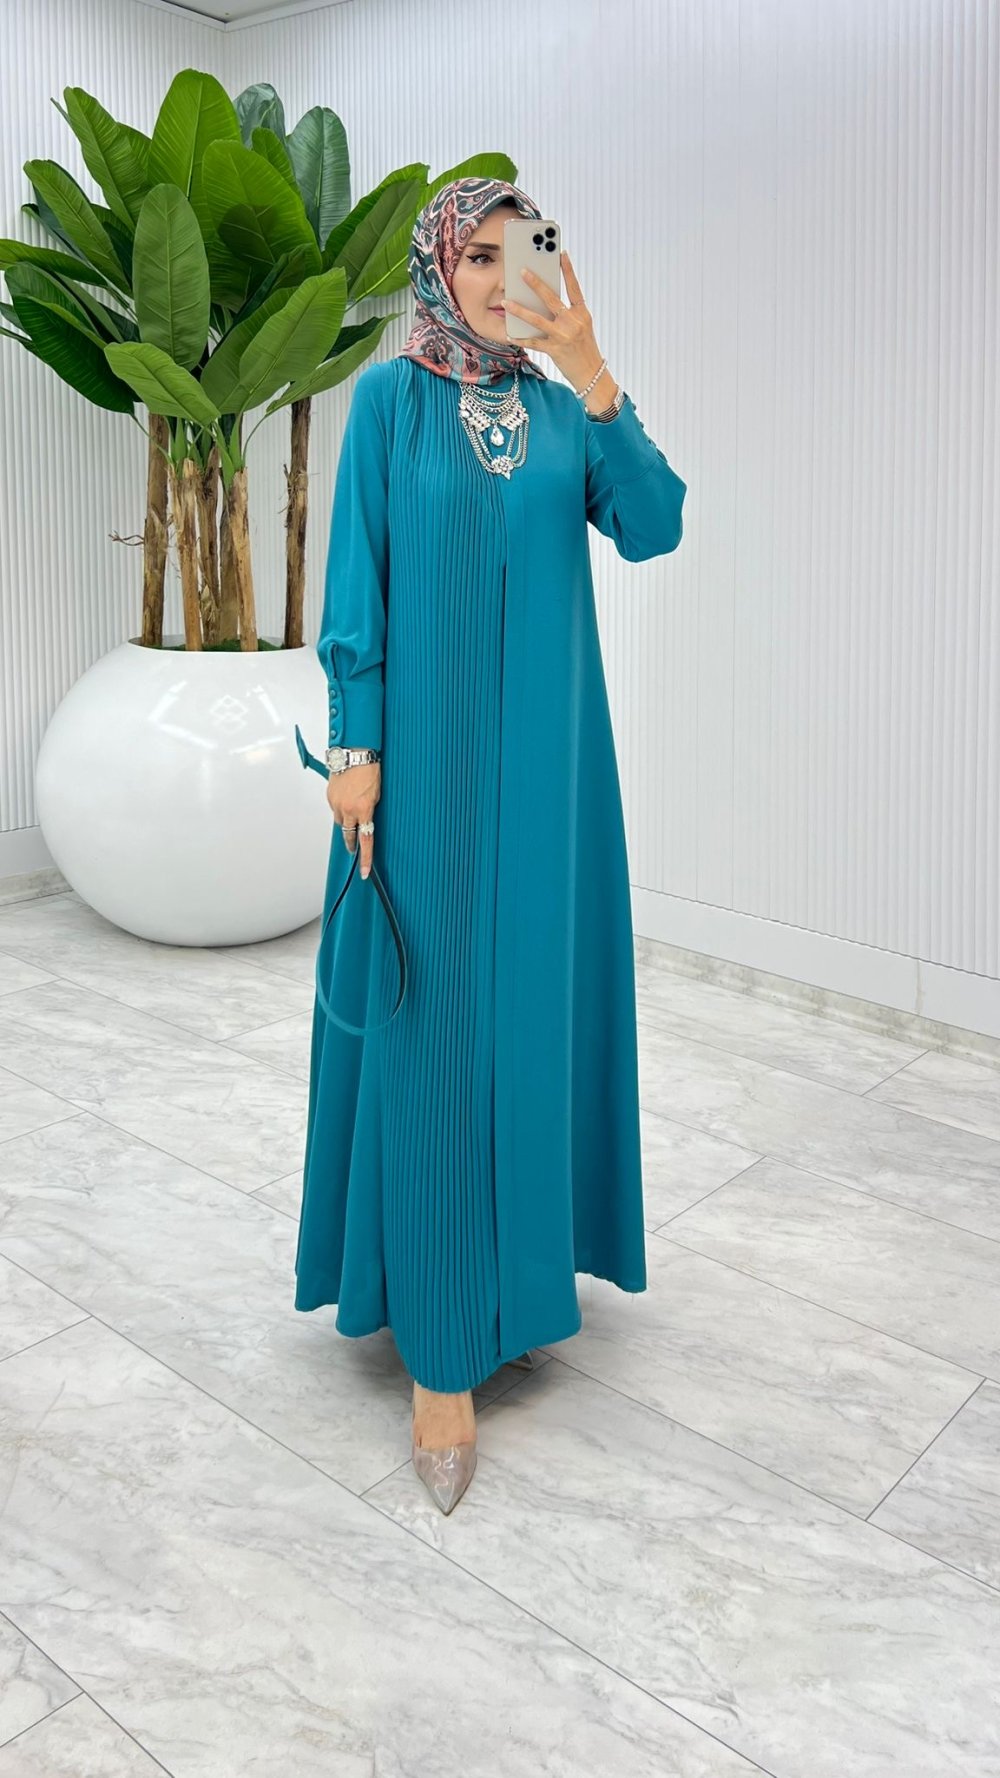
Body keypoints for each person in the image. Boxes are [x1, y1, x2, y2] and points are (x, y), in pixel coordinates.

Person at [294, 176, 687, 1514]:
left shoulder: (566, 413)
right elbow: (357, 579)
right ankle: (442, 1350)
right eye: (476, 252)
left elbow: (656, 527)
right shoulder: (389, 402)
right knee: (434, 1033)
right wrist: (354, 745)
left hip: (553, 784)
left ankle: (517, 1280)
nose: (500, 272)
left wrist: (595, 375)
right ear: (436, 268)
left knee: (527, 1021)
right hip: (423, 780)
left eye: (524, 248)